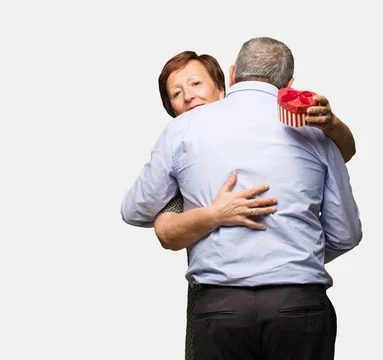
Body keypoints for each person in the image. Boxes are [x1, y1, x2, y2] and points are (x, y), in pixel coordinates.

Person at [122, 37, 362, 359]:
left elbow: (135, 209)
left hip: (220, 309)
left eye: (195, 84)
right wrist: (294, 258)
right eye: (176, 93)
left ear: (229, 78)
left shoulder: (182, 132)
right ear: (288, 85)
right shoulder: (314, 132)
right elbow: (346, 234)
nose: (189, 96)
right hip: (300, 305)